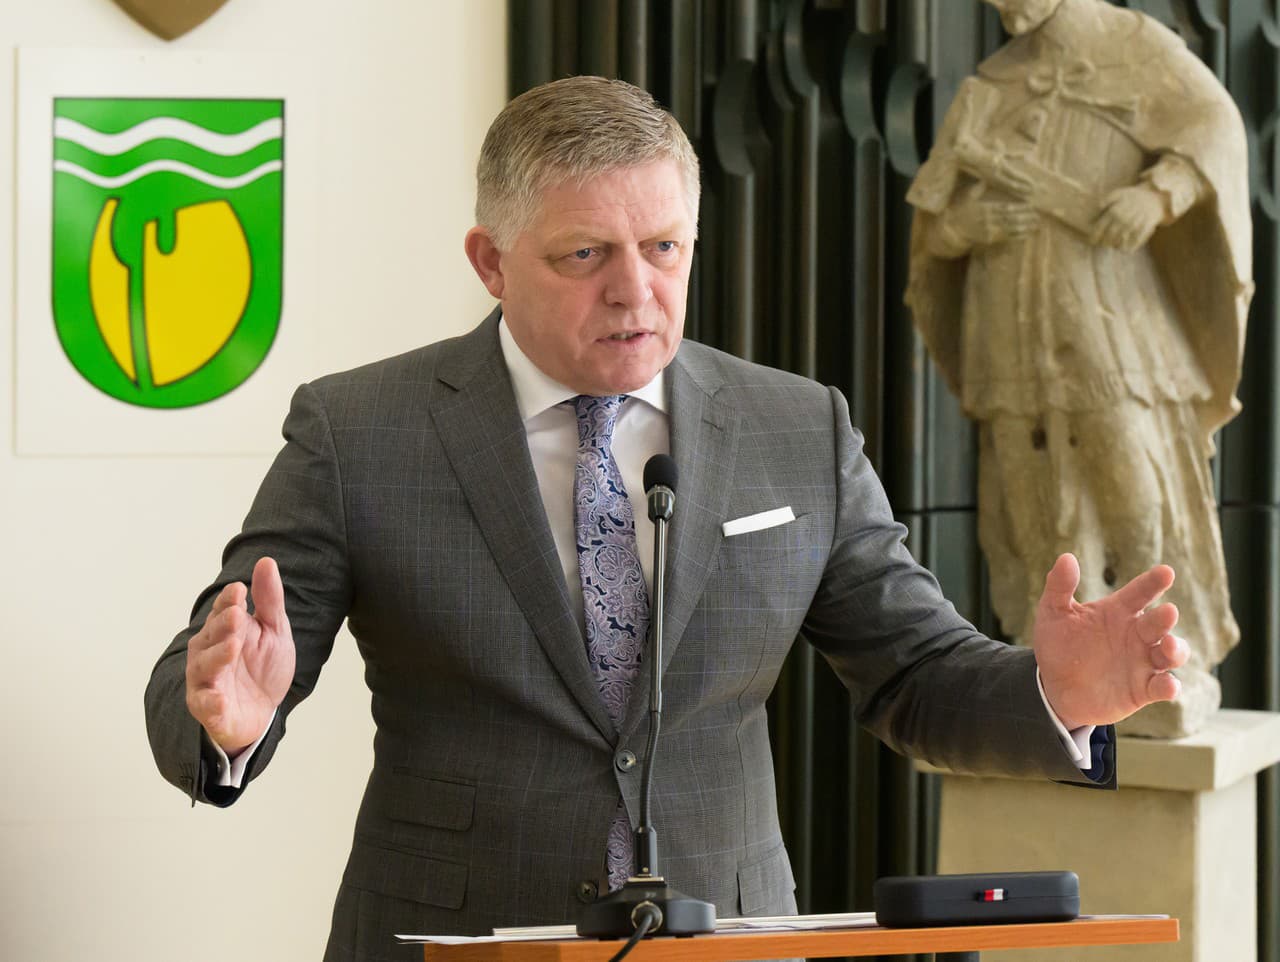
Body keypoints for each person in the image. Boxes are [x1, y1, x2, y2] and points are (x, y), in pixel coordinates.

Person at [146, 75, 1188, 962]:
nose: (635, 291)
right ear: (490, 261)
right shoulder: (360, 430)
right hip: (453, 935)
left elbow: (913, 671)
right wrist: (223, 720)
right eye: (585, 255)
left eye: (663, 247)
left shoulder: (795, 427)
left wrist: (1054, 693)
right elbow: (216, 664)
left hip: (725, 936)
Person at [905, 0, 1250, 737]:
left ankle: (1160, 655)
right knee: (1032, 502)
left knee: (1132, 482)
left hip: (1109, 321)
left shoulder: (1132, 45)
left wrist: (1156, 194)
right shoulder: (990, 83)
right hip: (1009, 327)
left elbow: (1215, 125)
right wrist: (969, 226)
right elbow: (936, 222)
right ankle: (1061, 674)